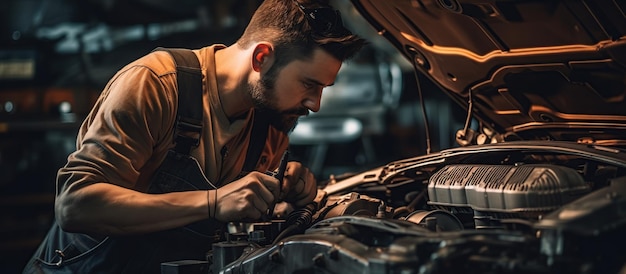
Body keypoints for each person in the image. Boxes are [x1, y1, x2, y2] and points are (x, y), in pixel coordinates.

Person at [23, 0, 365, 273]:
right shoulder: (156, 84)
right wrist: (213, 202)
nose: (315, 105)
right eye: (309, 84)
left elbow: (246, 216)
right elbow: (75, 205)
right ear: (262, 57)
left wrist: (286, 198)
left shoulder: (270, 128)